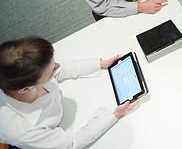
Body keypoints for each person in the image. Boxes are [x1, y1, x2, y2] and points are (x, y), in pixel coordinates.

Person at [0, 36, 139, 148]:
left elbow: (62, 69)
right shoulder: (23, 130)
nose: (58, 66)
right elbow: (71, 144)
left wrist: (101, 64)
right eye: (51, 72)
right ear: (26, 89)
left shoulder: (30, 69)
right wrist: (115, 114)